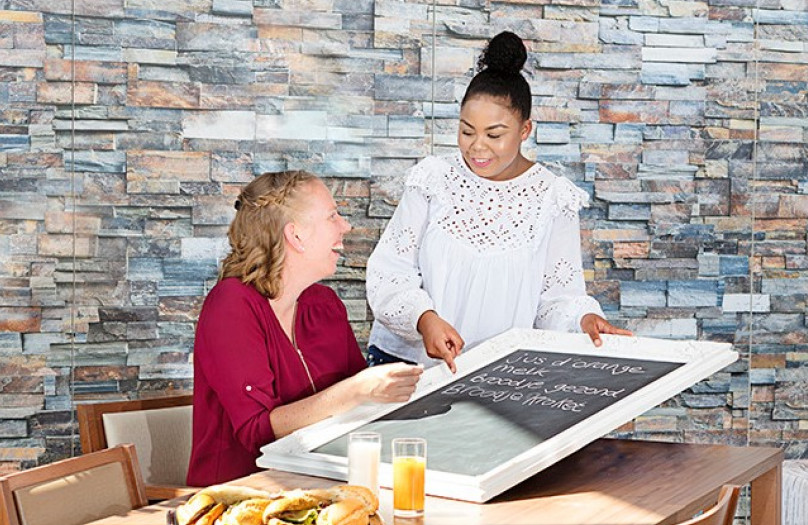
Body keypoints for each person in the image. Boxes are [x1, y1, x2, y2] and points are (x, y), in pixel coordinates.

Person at [366, 31, 632, 374]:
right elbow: (390, 272)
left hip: (496, 374)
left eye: (494, 134)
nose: (477, 147)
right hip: (408, 364)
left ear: (525, 130)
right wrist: (424, 319)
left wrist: (585, 318)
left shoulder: (553, 198)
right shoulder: (432, 179)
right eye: (466, 131)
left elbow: (556, 299)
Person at [188, 170, 423, 486]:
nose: (346, 226)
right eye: (332, 216)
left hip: (323, 487)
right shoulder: (231, 305)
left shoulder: (324, 305)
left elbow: (362, 409)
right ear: (296, 235)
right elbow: (256, 431)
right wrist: (359, 389)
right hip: (241, 500)